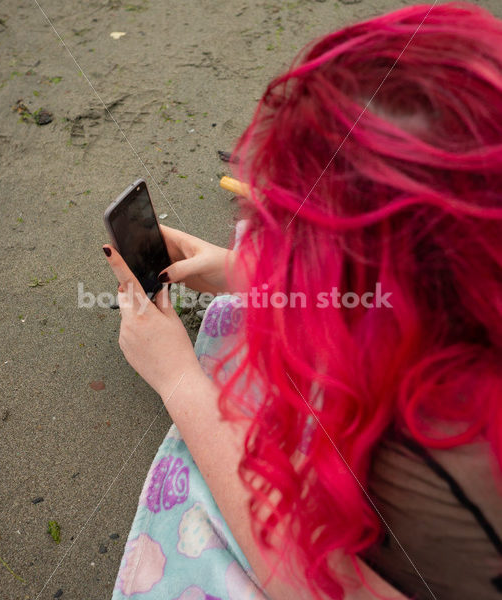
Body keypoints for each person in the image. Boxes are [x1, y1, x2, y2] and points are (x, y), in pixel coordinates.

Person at [104, 2, 502, 599]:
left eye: (298, 238)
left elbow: (315, 579)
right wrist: (248, 274)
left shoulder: (440, 468)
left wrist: (180, 381)